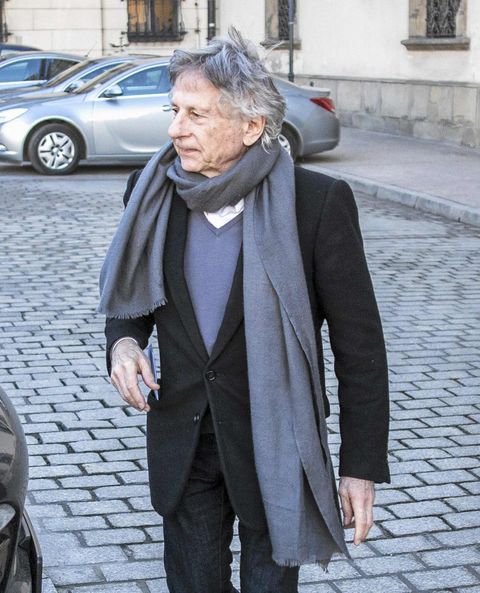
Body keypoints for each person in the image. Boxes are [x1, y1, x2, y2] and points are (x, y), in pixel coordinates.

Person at [98, 28, 389, 593]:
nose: (175, 129)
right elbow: (132, 297)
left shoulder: (317, 204)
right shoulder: (151, 191)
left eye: (197, 115)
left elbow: (360, 350)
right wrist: (124, 342)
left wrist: (360, 466)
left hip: (275, 443)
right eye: (175, 110)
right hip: (184, 437)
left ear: (252, 127)